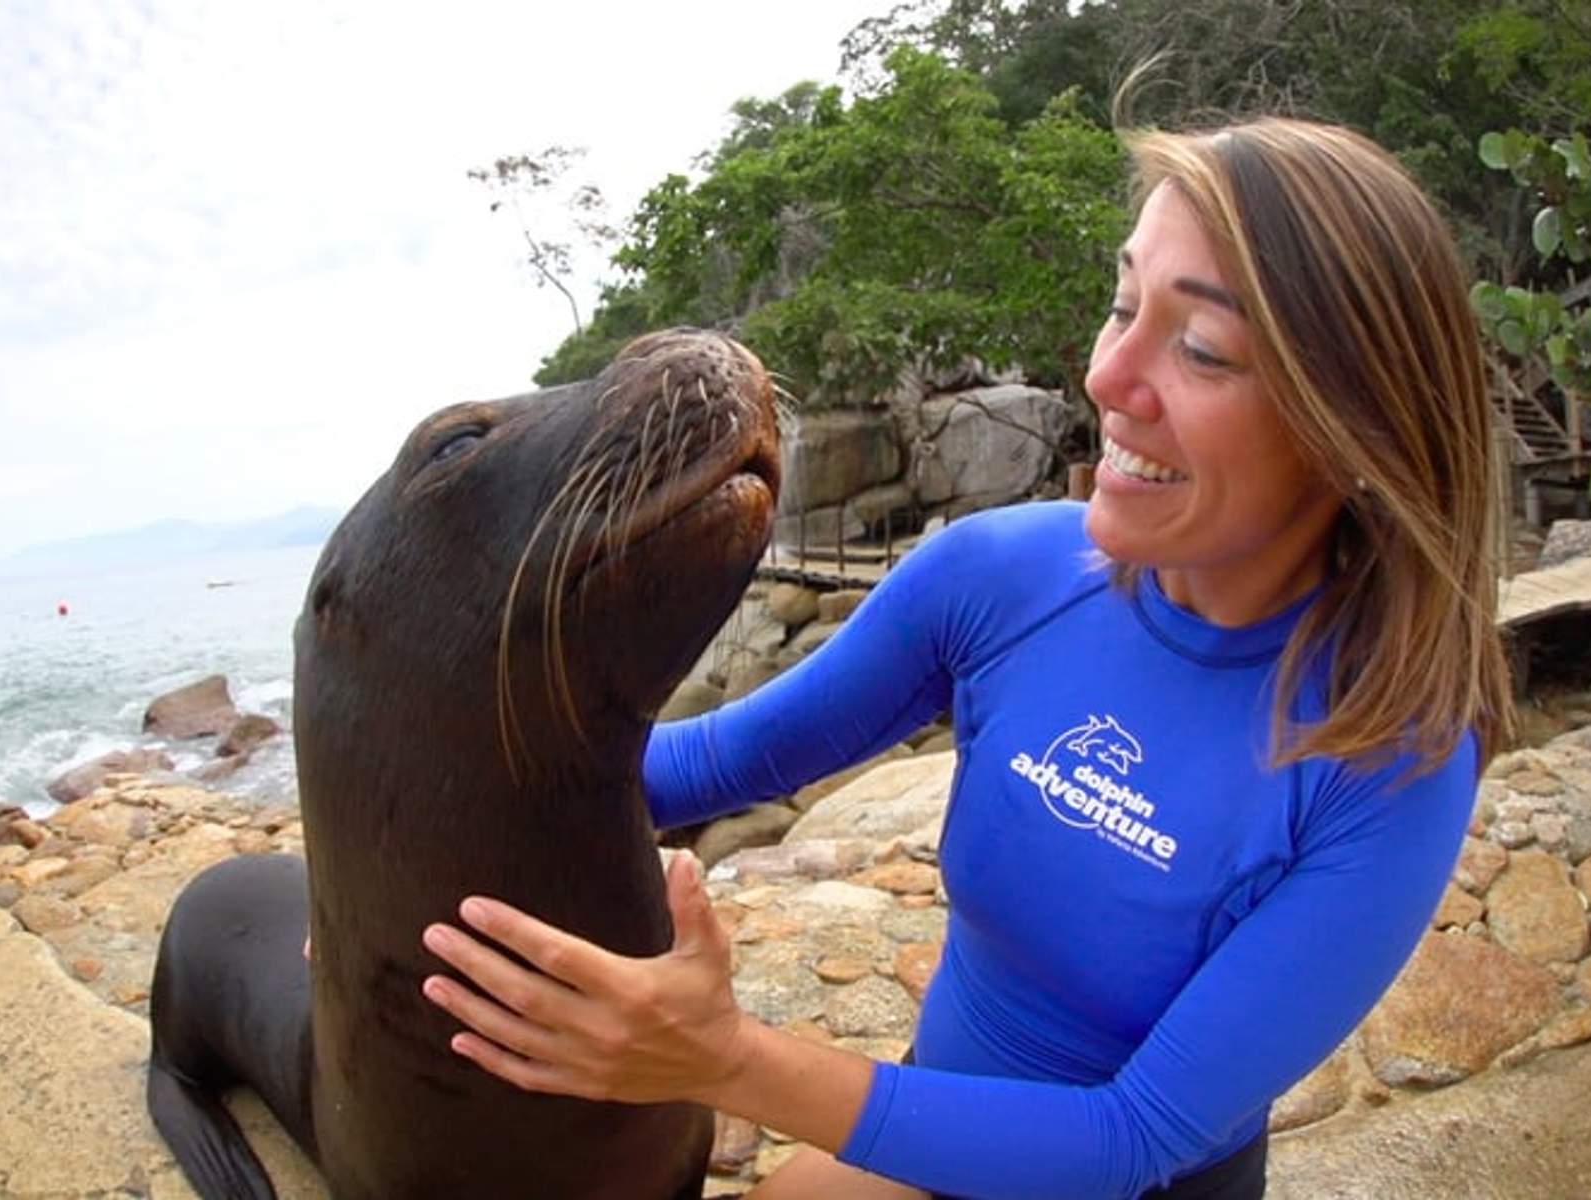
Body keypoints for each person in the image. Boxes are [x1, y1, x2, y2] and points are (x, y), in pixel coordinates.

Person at [418, 116, 1513, 1200]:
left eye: (1204, 349)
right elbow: (696, 768)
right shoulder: (1002, 577)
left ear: (1353, 427)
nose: (1109, 377)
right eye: (1123, 304)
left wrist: (725, 1061)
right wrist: (415, 865)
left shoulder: (1389, 757)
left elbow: (1128, 1139)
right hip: (932, 1139)